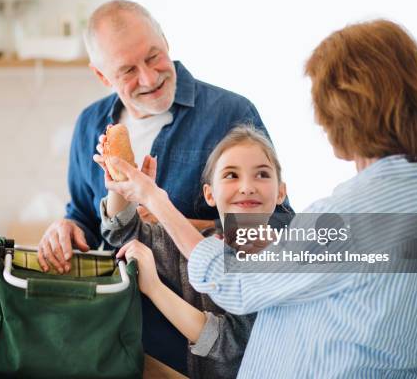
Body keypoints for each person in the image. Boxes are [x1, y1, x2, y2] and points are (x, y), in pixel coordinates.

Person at [104, 19, 417, 377]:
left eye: (321, 102)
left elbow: (234, 285)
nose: (320, 122)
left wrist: (155, 199)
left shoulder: (349, 217)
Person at [35, 0, 290, 373]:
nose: (149, 78)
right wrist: (66, 227)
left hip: (202, 355)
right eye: (127, 70)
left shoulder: (230, 114)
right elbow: (85, 215)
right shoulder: (90, 124)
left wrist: (170, 219)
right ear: (103, 76)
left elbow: (280, 226)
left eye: (153, 57)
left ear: (166, 42)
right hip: (110, 339)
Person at [98, 125, 287, 378]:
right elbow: (123, 231)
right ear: (210, 194)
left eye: (262, 174)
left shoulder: (281, 259)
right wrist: (120, 183)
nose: (247, 186)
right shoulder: (199, 242)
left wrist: (155, 288)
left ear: (281, 193)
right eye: (231, 175)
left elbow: (226, 343)